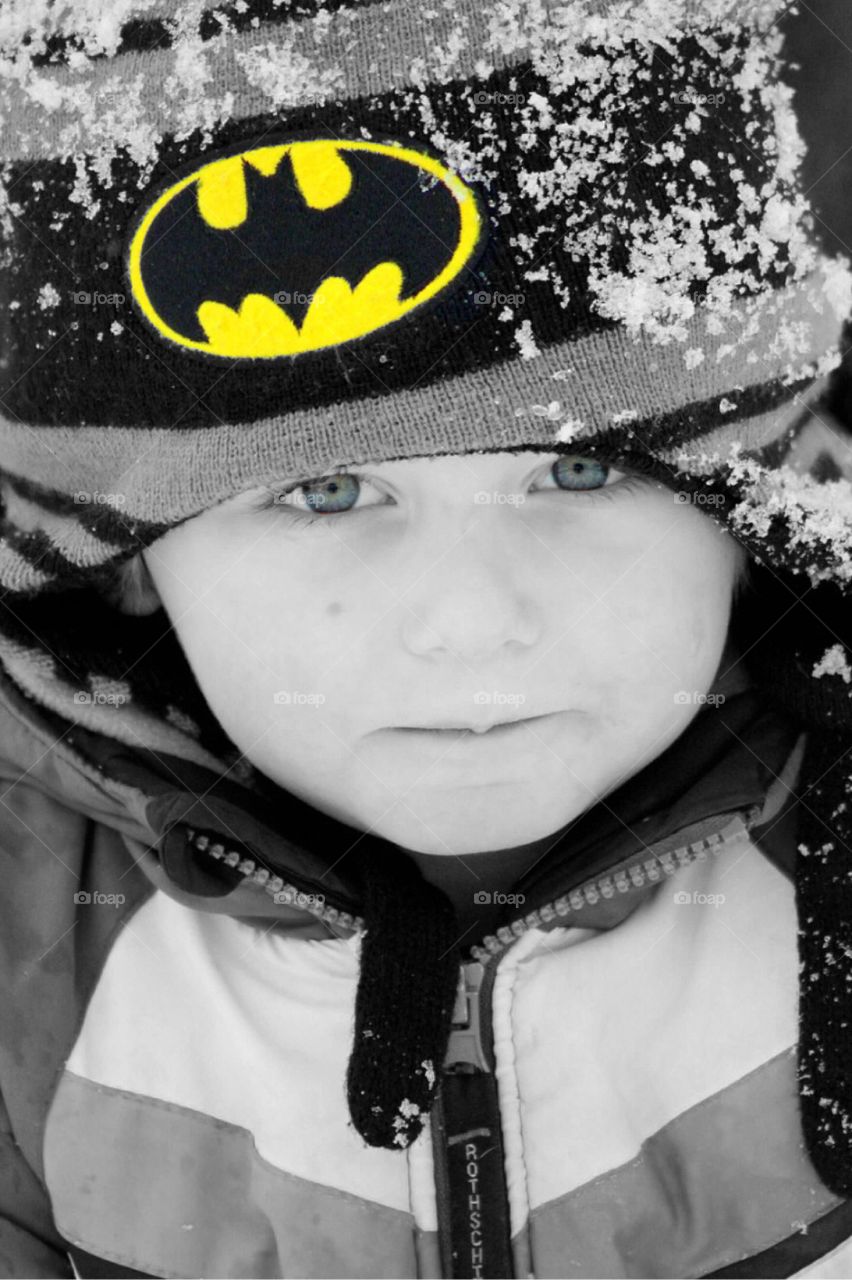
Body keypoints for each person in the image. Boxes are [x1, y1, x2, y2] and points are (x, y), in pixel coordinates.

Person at [0, 1, 851, 1277]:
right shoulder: (28, 939)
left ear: (754, 508)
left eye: (576, 472)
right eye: (328, 491)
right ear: (124, 570)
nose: (472, 623)